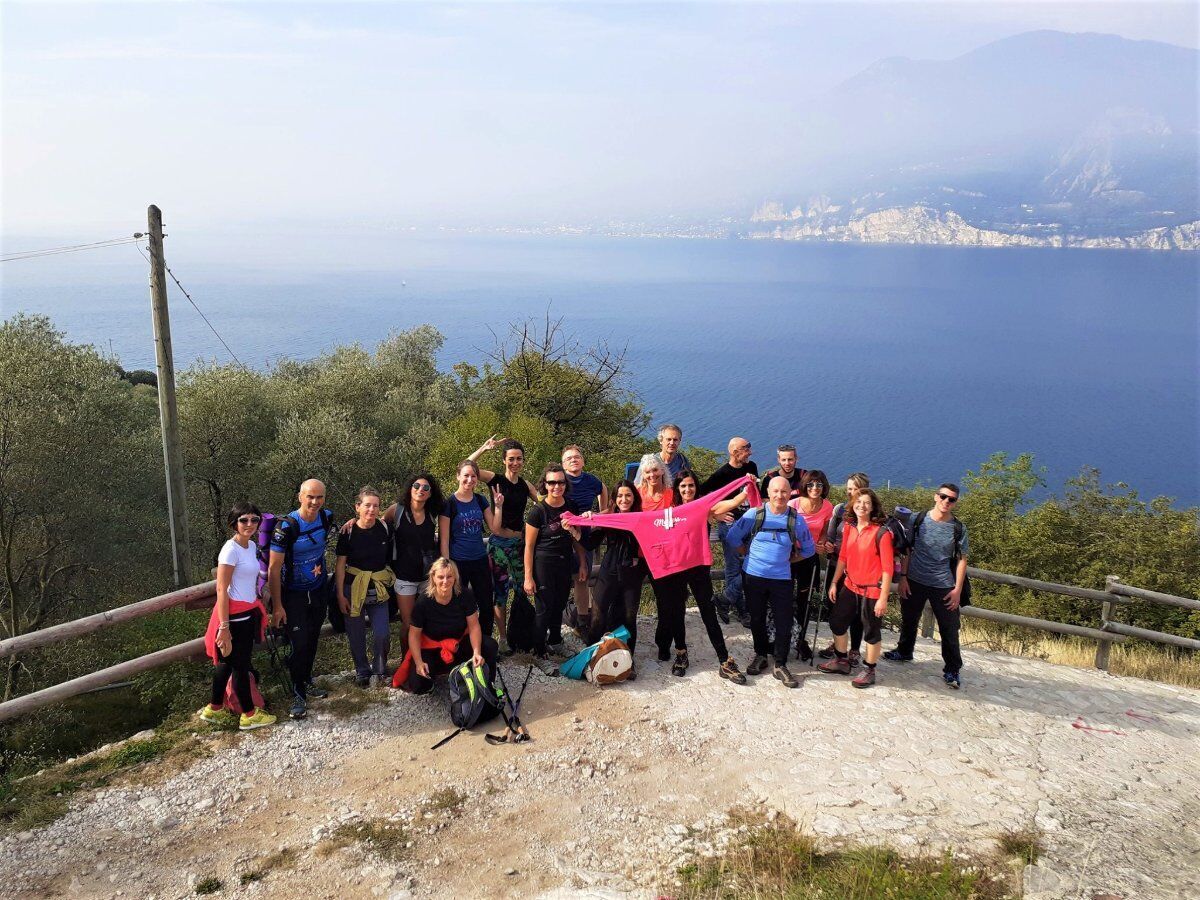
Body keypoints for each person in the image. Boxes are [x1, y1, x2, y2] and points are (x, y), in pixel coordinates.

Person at [724, 476, 816, 688]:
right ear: (768, 492)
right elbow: (732, 538)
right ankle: (761, 655)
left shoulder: (795, 519)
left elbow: (809, 550)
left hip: (781, 578)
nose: (780, 496)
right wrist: (746, 553)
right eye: (775, 491)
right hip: (753, 575)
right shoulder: (754, 514)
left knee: (784, 621)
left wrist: (790, 560)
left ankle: (780, 663)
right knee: (756, 618)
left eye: (784, 492)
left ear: (789, 494)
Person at [664, 470, 748, 684]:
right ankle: (681, 653)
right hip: (677, 569)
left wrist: (747, 485)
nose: (687, 490)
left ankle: (724, 659)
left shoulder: (704, 508)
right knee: (676, 612)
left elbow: (730, 502)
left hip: (699, 569)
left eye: (691, 485)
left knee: (708, 613)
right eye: (683, 486)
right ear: (677, 489)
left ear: (696, 487)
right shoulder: (670, 512)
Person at [884, 483, 970, 689]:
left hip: (943, 585)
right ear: (935, 496)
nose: (946, 502)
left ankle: (952, 669)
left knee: (949, 628)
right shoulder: (917, 520)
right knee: (909, 619)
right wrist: (903, 577)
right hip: (914, 579)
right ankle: (905, 651)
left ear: (955, 503)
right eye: (943, 497)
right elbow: (907, 550)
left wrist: (957, 589)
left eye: (952, 499)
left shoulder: (958, 528)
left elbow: (962, 559)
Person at [200, 502, 275, 731]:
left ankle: (214, 708)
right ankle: (249, 715)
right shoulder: (230, 550)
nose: (250, 524)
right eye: (244, 520)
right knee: (240, 666)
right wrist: (224, 627)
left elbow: (248, 579)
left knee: (227, 663)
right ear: (234, 523)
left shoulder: (251, 546)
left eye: (254, 520)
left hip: (246, 612)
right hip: (233, 617)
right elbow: (222, 589)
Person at [268, 478, 335, 720]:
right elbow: (273, 569)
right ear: (300, 497)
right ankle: (298, 694)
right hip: (293, 594)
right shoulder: (286, 527)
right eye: (310, 497)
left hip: (318, 589)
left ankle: (307, 680)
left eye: (320, 497)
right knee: (299, 642)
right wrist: (277, 606)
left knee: (313, 637)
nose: (315, 502)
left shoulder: (326, 517)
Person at [818, 488, 893, 688]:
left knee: (871, 631)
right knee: (837, 622)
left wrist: (883, 597)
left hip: (872, 590)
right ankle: (842, 660)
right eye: (858, 502)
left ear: (873, 507)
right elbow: (843, 558)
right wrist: (834, 582)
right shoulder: (849, 527)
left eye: (867, 503)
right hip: (850, 586)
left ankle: (869, 669)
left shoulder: (881, 533)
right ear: (852, 504)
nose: (862, 506)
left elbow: (887, 569)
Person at [569, 480, 646, 671]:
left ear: (634, 498)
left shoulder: (642, 518)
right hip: (609, 572)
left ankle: (628, 659)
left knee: (629, 617)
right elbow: (590, 543)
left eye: (628, 495)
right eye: (620, 496)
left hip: (632, 574)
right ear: (614, 499)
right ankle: (592, 657)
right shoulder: (609, 518)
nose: (624, 499)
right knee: (598, 615)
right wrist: (577, 529)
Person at [471, 436, 537, 654]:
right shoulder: (495, 479)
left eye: (519, 459)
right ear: (504, 460)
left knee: (521, 590)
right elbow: (467, 468)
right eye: (511, 459)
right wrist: (484, 447)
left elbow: (545, 502)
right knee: (500, 593)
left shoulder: (525, 485)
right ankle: (503, 638)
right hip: (498, 545)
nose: (515, 463)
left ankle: (520, 633)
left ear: (523, 461)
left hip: (519, 545)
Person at [400, 558, 498, 695]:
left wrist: (477, 652)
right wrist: (418, 662)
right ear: (433, 577)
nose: (445, 581)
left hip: (459, 645)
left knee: (490, 645)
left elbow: (474, 626)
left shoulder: (464, 595)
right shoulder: (423, 601)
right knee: (418, 685)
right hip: (433, 649)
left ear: (455, 577)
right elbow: (414, 634)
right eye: (441, 577)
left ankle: (487, 682)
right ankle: (433, 681)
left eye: (449, 576)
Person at [523, 464, 588, 666]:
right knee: (544, 608)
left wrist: (583, 562)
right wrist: (528, 577)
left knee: (559, 604)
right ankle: (539, 652)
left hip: (564, 561)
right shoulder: (537, 512)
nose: (556, 486)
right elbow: (529, 546)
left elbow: (576, 538)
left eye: (560, 482)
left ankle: (555, 641)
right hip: (543, 563)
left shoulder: (571, 505)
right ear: (545, 484)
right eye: (552, 482)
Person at [335, 486, 395, 688]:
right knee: (356, 632)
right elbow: (340, 564)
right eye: (367, 505)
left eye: (376, 506)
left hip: (378, 587)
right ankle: (362, 671)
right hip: (352, 588)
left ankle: (379, 669)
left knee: (382, 632)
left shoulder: (384, 528)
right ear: (357, 507)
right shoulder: (348, 531)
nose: (371, 510)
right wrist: (340, 594)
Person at [440, 460, 504, 639]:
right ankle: (460, 644)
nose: (469, 480)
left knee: (485, 604)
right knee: (458, 604)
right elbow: (444, 539)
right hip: (458, 561)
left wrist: (498, 507)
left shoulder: (480, 500)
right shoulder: (449, 504)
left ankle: (485, 643)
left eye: (473, 476)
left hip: (479, 559)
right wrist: (446, 566)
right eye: (466, 475)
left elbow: (495, 528)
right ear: (458, 476)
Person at [701, 437, 758, 627]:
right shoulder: (721, 474)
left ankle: (724, 600)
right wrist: (716, 514)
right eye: (746, 448)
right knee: (734, 568)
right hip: (730, 525)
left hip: (750, 522)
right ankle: (743, 612)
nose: (750, 452)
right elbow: (701, 496)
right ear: (735, 452)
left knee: (752, 566)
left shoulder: (752, 467)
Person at [818, 472, 870, 665]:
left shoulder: (870, 514)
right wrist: (828, 546)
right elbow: (830, 537)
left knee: (857, 611)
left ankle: (855, 649)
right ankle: (838, 643)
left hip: (859, 571)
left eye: (856, 489)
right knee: (835, 608)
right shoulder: (839, 510)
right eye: (849, 489)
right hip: (836, 565)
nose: (852, 493)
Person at [387, 473, 444, 653]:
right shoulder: (396, 511)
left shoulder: (432, 513)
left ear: (430, 493)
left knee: (427, 620)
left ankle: (424, 660)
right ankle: (407, 661)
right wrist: (353, 521)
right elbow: (375, 525)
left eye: (426, 488)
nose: (421, 490)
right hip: (404, 576)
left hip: (428, 577)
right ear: (410, 488)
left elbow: (463, 474)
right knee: (409, 623)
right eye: (417, 486)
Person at [787, 470, 834, 661]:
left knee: (804, 602)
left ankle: (800, 639)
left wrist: (822, 544)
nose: (815, 488)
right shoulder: (793, 504)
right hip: (789, 559)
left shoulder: (827, 507)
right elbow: (785, 531)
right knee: (784, 599)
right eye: (811, 485)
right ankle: (781, 636)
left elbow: (823, 532)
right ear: (804, 486)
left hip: (810, 560)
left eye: (819, 485)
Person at [562, 444, 608, 637]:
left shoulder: (591, 480)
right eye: (569, 458)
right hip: (562, 537)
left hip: (585, 536)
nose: (574, 460)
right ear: (563, 464)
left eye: (577, 457)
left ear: (583, 460)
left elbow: (603, 489)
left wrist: (601, 513)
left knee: (582, 578)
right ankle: (559, 619)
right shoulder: (559, 480)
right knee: (561, 580)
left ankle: (582, 620)